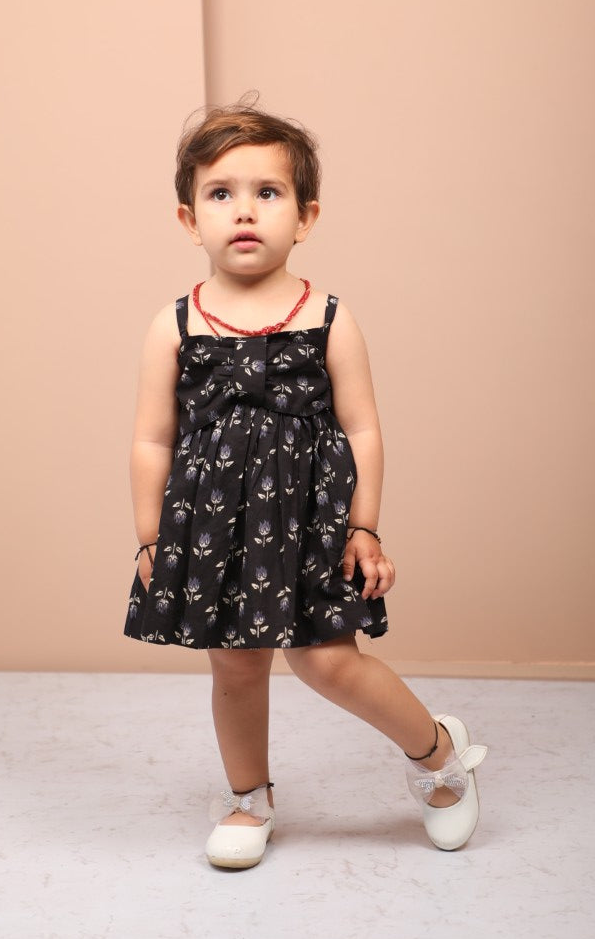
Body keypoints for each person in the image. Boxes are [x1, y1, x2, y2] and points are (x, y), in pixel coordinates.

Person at [124, 100, 488, 869]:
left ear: (305, 216)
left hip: (309, 520)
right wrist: (151, 537)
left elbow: (363, 430)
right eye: (221, 194)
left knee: (327, 659)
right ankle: (248, 797)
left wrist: (365, 527)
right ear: (189, 218)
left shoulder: (328, 317)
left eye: (268, 192)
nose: (244, 211)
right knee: (236, 664)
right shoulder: (175, 326)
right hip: (214, 527)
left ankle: (437, 755)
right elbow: (153, 439)